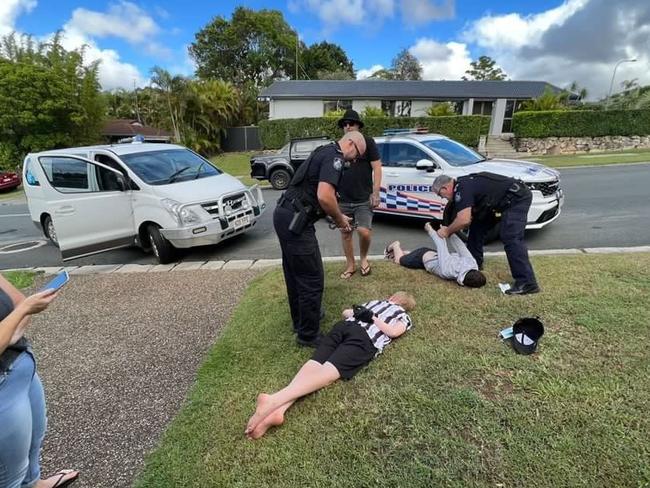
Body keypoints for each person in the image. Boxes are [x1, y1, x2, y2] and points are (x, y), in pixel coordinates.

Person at [244, 291, 415, 440]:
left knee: (316, 364)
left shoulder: (387, 308)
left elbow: (353, 315)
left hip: (352, 331)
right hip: (359, 335)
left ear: (393, 298)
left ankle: (279, 408)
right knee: (325, 371)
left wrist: (368, 315)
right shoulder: (394, 312)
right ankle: (275, 401)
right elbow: (385, 329)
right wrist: (366, 316)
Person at [274, 131, 367, 348]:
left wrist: (337, 215)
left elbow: (317, 192)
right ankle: (308, 335)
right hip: (296, 220)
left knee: (295, 272)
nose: (353, 162)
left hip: (286, 215)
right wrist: (340, 220)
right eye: (356, 157)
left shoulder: (322, 151)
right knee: (311, 278)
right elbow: (325, 196)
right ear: (351, 144)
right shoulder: (335, 157)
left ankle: (302, 321)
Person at [0, 275, 79, 488]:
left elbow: (18, 300)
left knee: (35, 437)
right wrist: (21, 311)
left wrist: (9, 335)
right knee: (9, 475)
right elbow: (21, 307)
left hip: (21, 368)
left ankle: (35, 484)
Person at [432, 173, 539, 295]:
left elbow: (463, 219)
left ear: (445, 188)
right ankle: (474, 263)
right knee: (477, 227)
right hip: (496, 203)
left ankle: (527, 283)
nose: (442, 198)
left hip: (516, 199)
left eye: (440, 194)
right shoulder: (464, 184)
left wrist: (447, 231)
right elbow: (468, 218)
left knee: (511, 237)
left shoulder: (462, 189)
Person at [335, 109, 382, 279]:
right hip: (343, 199)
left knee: (364, 231)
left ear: (358, 126)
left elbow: (377, 167)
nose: (348, 126)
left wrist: (375, 193)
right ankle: (350, 265)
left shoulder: (368, 143)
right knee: (346, 233)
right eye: (345, 124)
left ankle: (363, 259)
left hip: (363, 198)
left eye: (351, 123)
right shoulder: (338, 145)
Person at [385, 222, 487, 288]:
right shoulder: (449, 270)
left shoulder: (472, 264)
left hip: (432, 258)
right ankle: (395, 245)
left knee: (408, 257)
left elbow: (461, 248)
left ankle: (399, 253)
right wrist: (431, 231)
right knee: (399, 260)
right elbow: (442, 247)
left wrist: (450, 233)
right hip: (423, 257)